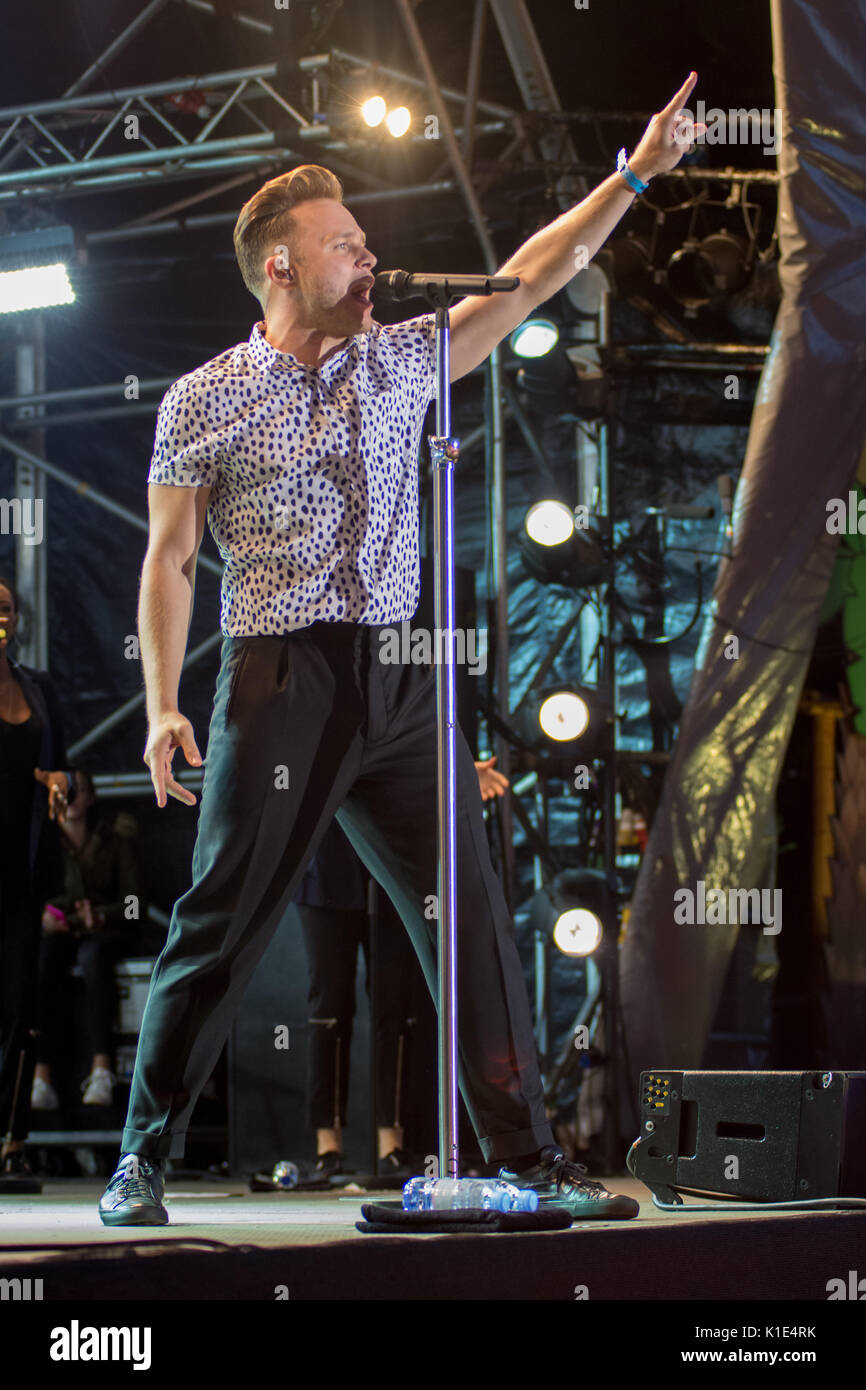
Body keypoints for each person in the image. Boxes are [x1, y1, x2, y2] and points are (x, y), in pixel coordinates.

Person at [98, 73, 700, 1226]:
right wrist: (163, 701)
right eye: (342, 247)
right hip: (281, 678)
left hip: (405, 676)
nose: (366, 261)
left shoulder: (400, 358)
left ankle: (524, 1155)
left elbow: (538, 270)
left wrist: (634, 173)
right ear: (280, 265)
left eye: (367, 243)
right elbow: (169, 562)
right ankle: (141, 1155)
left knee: (465, 921)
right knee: (221, 919)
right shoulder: (203, 400)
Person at [298, 758, 508, 1180]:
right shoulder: (311, 698)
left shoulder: (390, 696)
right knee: (329, 1005)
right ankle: (328, 1148)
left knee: (393, 1005)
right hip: (325, 864)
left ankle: (390, 1145)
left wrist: (461, 769)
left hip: (387, 858)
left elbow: (413, 739)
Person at [0, 576, 78, 1183]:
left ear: (17, 619)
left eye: (4, 608)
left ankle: (12, 1140)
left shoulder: (39, 687)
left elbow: (66, 770)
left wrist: (59, 784)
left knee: (20, 1006)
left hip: (25, 865)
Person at [33, 769, 142, 1112]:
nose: (71, 794)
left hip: (105, 933)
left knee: (95, 959)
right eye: (66, 788)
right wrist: (44, 916)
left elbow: (135, 902)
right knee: (42, 961)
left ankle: (101, 1070)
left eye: (78, 788)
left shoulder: (115, 836)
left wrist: (104, 916)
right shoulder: (44, 841)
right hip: (60, 934)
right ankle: (40, 1075)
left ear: (91, 797)